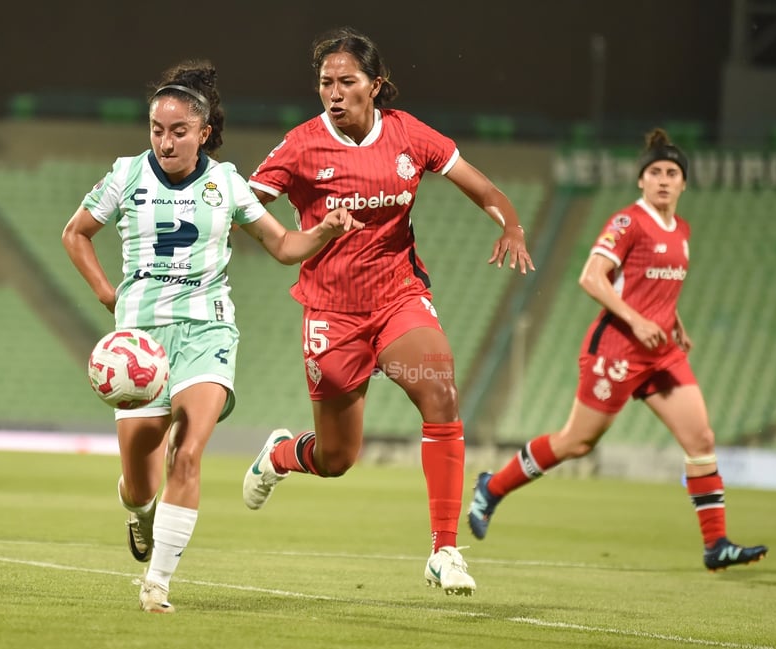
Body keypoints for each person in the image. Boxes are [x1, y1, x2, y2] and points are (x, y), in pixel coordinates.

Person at [241, 26, 534, 596]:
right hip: (331, 315)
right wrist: (298, 235)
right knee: (336, 458)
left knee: (440, 390)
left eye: (346, 81)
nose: (333, 91)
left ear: (375, 86)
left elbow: (481, 187)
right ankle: (279, 455)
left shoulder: (408, 135)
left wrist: (513, 225)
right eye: (325, 82)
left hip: (398, 299)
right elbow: (247, 206)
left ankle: (443, 550)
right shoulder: (302, 144)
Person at [61, 59, 361, 613]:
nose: (166, 141)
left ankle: (158, 584)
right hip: (140, 342)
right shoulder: (126, 174)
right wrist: (109, 295)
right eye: (157, 130)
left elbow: (281, 246)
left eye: (179, 131)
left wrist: (322, 230)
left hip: (208, 329)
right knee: (139, 479)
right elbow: (76, 234)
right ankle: (138, 514)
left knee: (189, 452)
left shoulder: (227, 183)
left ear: (204, 132)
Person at [467, 128, 768, 572]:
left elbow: (657, 283)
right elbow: (592, 277)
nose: (664, 179)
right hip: (618, 348)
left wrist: (674, 321)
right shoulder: (629, 221)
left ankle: (715, 543)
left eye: (672, 172)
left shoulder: (681, 229)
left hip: (661, 351)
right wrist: (639, 320)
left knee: (701, 439)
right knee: (577, 442)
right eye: (655, 172)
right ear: (641, 182)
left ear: (684, 183)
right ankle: (492, 488)